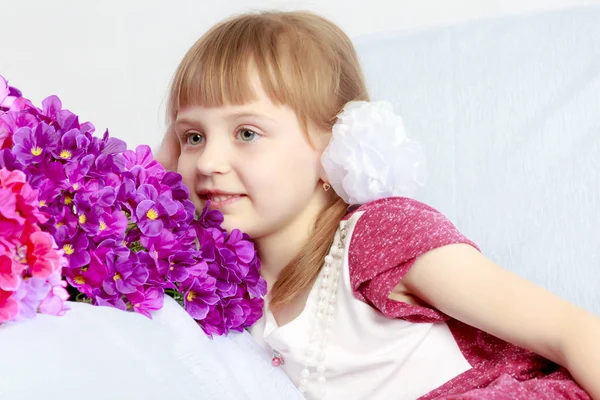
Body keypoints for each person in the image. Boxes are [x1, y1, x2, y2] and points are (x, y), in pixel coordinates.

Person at [156, 10, 600, 400]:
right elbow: (126, 210)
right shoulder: (219, 279)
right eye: (193, 137)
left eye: (246, 133)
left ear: (335, 145)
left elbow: (570, 330)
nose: (209, 162)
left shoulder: (379, 234)